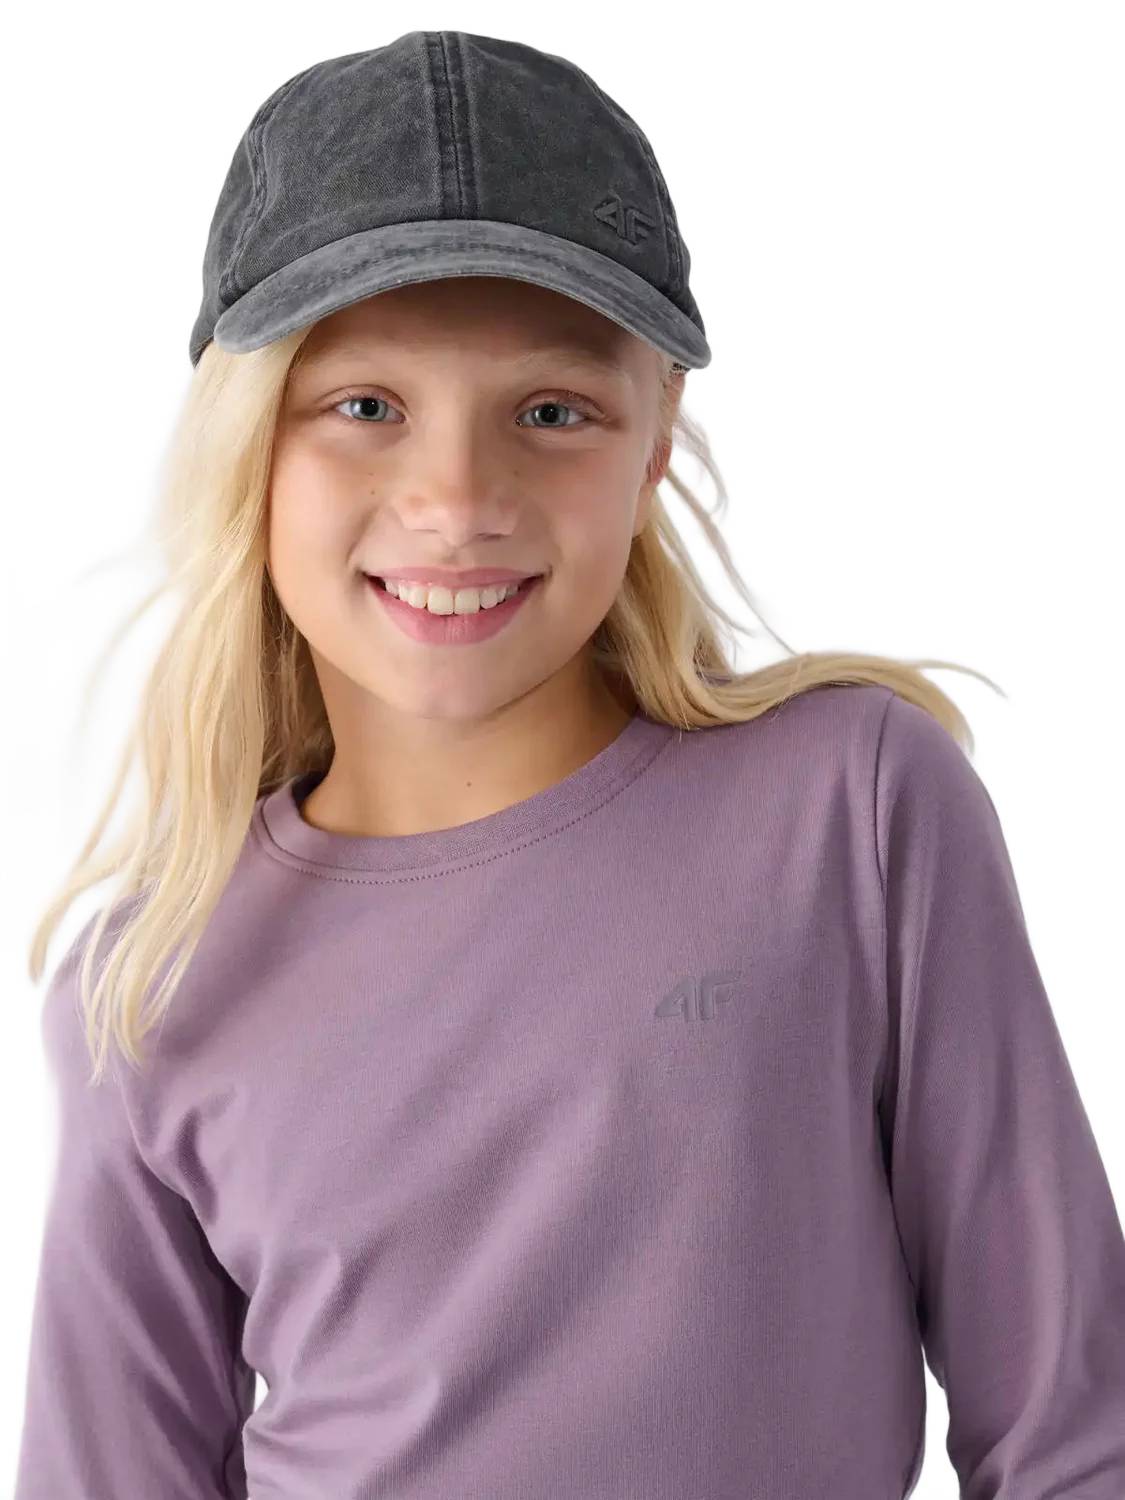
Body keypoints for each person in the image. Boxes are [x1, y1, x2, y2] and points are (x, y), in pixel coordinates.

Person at [13, 29, 1125, 1500]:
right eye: (363, 407)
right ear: (246, 445)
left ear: (655, 439)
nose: (457, 498)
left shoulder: (852, 812)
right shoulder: (149, 978)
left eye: (550, 411)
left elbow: (1072, 1432)